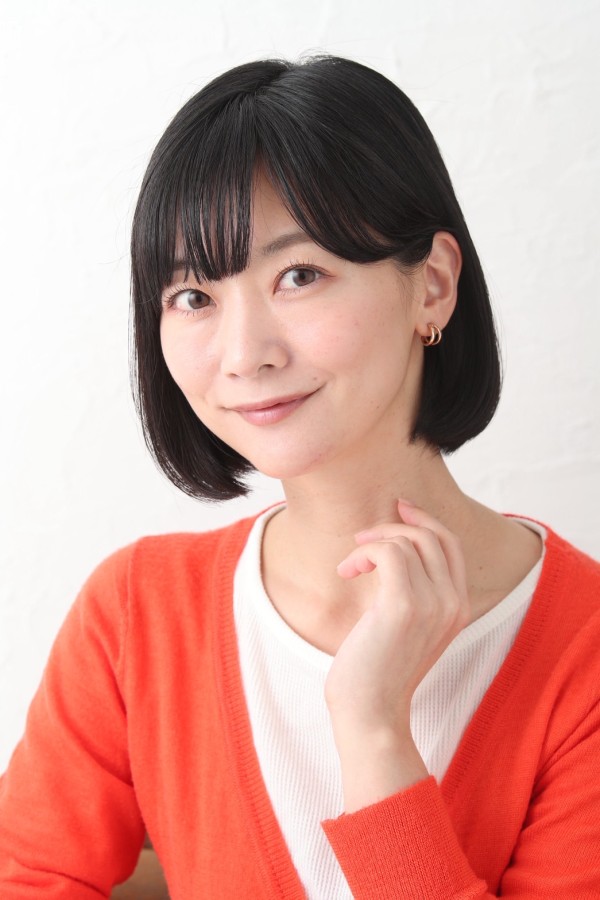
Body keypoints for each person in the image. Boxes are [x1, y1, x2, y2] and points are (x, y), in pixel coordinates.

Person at [0, 54, 599, 900]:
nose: (246, 354)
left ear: (432, 286)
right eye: (194, 297)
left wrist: (373, 730)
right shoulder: (137, 616)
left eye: (300, 275)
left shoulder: (584, 650)